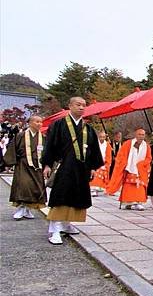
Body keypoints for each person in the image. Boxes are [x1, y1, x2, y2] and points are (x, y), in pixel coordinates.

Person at [42, 97, 104, 245]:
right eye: (78, 105)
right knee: (61, 196)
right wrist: (47, 164)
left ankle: (67, 223)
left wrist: (93, 167)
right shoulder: (59, 125)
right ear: (69, 106)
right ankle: (55, 229)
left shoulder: (88, 128)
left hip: (82, 168)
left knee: (77, 196)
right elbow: (50, 145)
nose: (81, 107)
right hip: (65, 166)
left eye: (84, 105)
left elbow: (94, 149)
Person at [4, 115, 47, 220]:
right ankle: (21, 209)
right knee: (23, 186)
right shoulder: (20, 135)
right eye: (37, 121)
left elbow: (47, 152)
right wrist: (11, 162)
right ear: (30, 123)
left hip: (38, 166)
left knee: (35, 188)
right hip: (23, 165)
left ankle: (27, 209)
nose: (39, 124)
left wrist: (47, 165)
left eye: (41, 122)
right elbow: (12, 149)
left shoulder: (43, 137)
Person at [107, 128, 152, 210]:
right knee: (129, 185)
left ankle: (138, 202)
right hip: (130, 168)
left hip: (141, 170)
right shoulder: (128, 144)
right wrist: (123, 162)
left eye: (143, 135)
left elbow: (149, 158)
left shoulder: (147, 146)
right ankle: (128, 202)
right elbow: (121, 154)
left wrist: (142, 164)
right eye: (139, 134)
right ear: (135, 135)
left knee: (140, 186)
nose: (141, 136)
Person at [89, 130, 112, 197]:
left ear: (105, 137)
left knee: (102, 170)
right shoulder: (94, 143)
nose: (102, 138)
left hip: (103, 163)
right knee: (95, 172)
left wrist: (107, 164)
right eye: (100, 137)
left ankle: (98, 188)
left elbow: (108, 156)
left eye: (103, 137)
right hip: (95, 163)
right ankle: (93, 189)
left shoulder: (107, 145)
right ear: (98, 137)